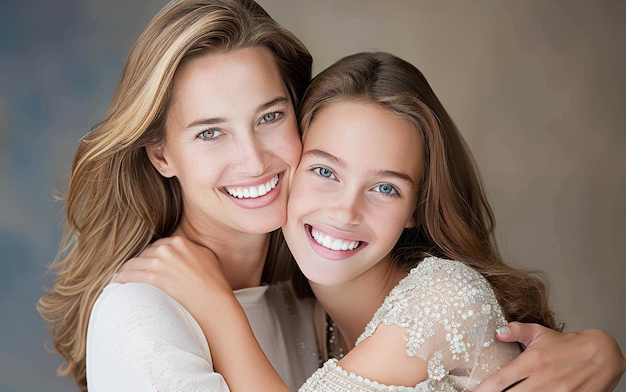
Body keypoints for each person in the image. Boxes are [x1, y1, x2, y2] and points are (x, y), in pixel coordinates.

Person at [117, 52, 626, 391]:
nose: (344, 211)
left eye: (386, 188)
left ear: (415, 209)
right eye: (324, 171)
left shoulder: (440, 298)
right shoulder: (312, 315)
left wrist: (216, 307)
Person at [37, 0, 319, 392]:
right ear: (161, 156)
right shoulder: (138, 312)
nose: (254, 160)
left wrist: (220, 308)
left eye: (270, 116)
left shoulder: (306, 300)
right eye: (210, 133)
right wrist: (219, 311)